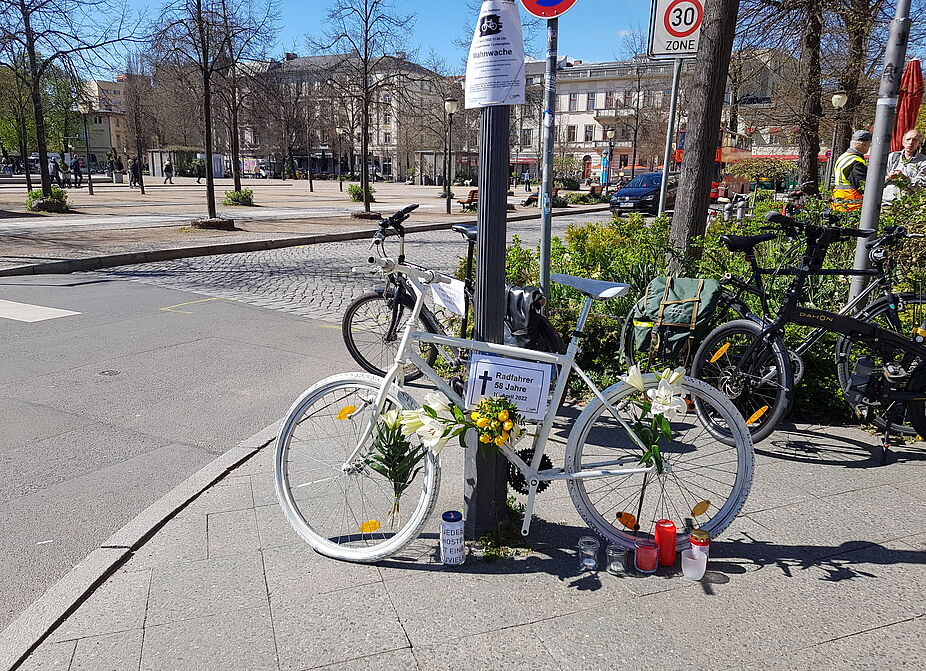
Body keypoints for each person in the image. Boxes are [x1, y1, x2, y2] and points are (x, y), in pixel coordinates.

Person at [832, 129, 872, 211]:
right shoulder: (856, 161)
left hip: (838, 204)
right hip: (852, 206)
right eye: (869, 144)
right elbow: (862, 185)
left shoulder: (843, 157)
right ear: (864, 144)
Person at [883, 129, 926, 203]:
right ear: (903, 142)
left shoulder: (923, 161)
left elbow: (921, 187)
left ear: (919, 143)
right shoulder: (892, 157)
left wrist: (905, 178)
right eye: (908, 139)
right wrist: (889, 177)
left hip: (907, 206)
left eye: (915, 140)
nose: (911, 142)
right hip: (886, 202)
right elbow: (877, 180)